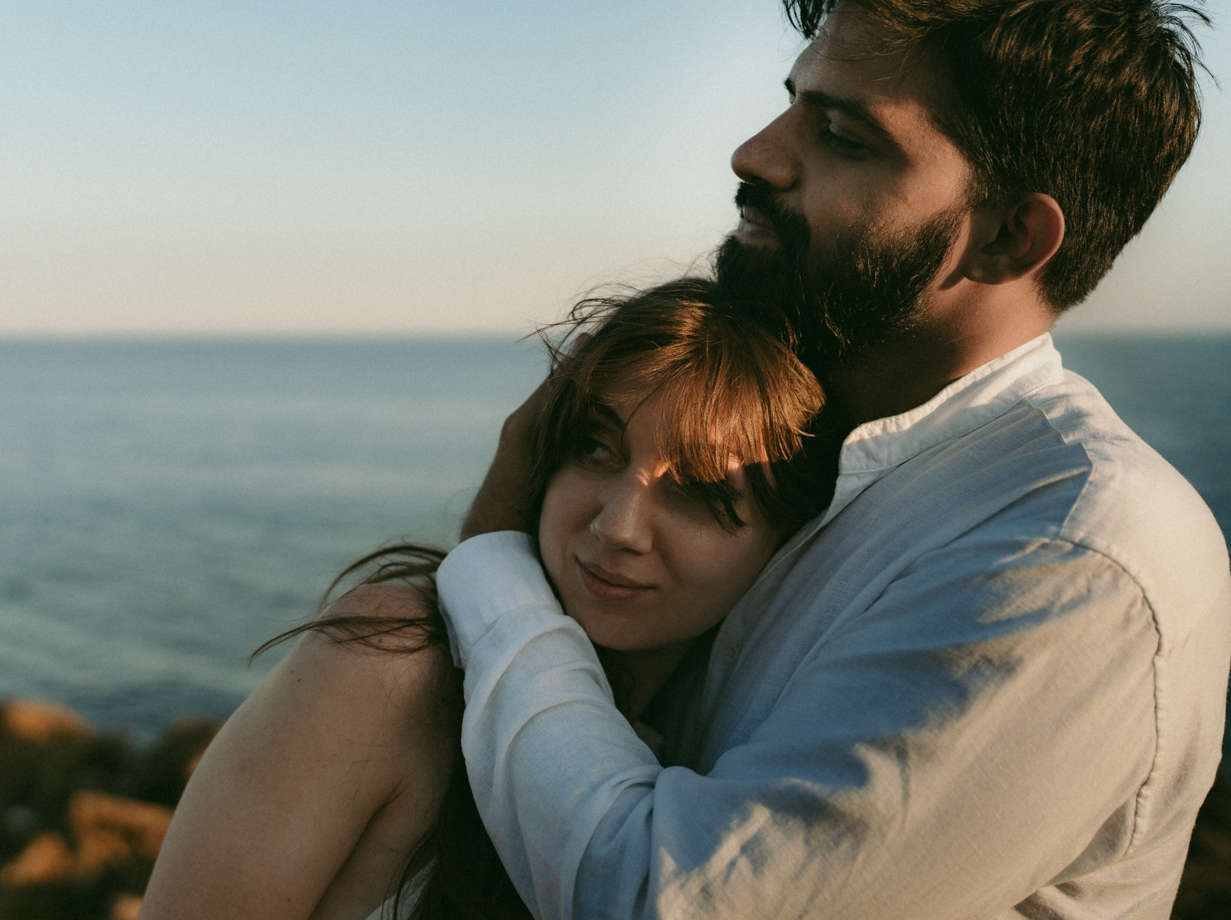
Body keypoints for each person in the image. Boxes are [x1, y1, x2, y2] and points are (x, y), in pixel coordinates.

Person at [441, 0, 1231, 918]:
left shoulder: (1078, 549)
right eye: (791, 108)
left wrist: (490, 565)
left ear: (1008, 237)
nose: (756, 155)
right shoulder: (803, 445)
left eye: (843, 137)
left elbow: (656, 897)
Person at [139, 278, 839, 919]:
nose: (615, 527)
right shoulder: (396, 666)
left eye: (697, 493)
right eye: (595, 449)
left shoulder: (739, 758)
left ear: (783, 542)